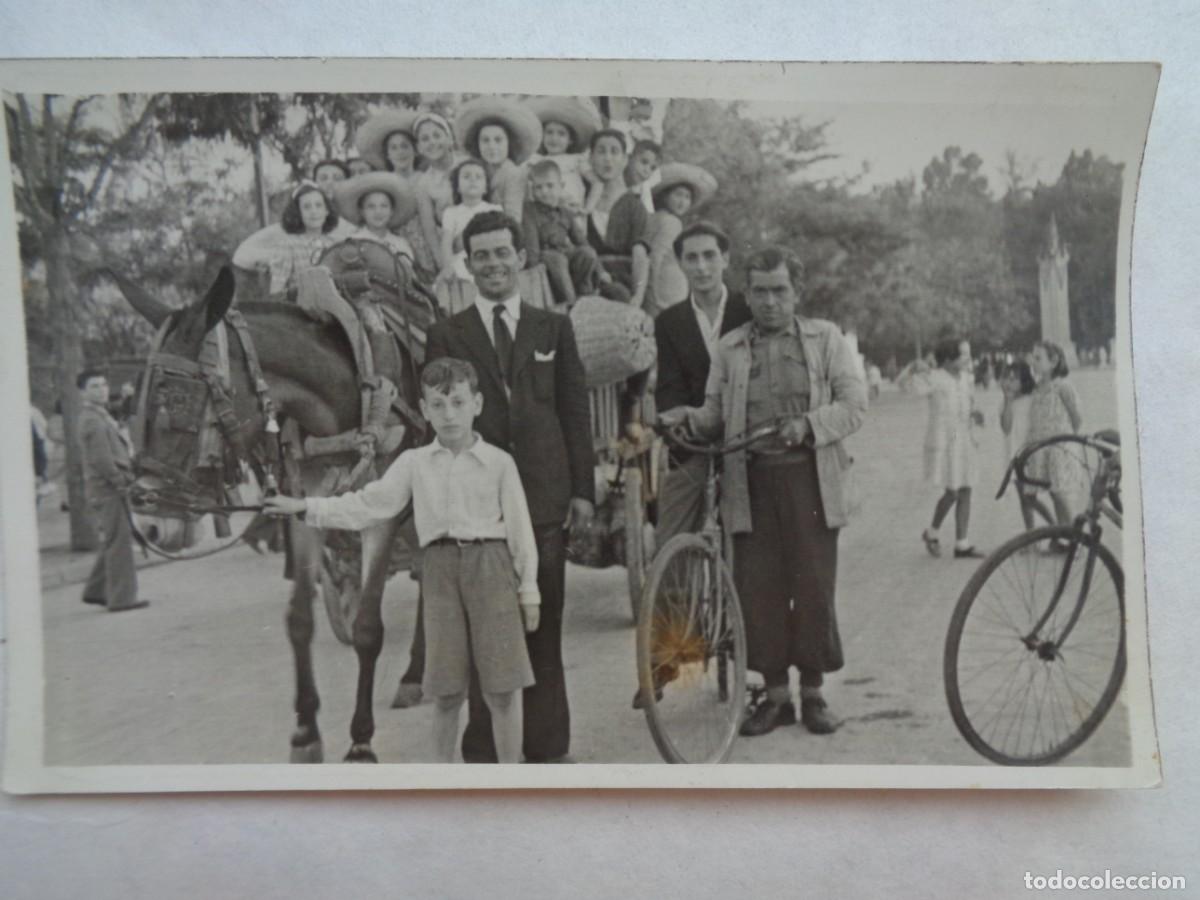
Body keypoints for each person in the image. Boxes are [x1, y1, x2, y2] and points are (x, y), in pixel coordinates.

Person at [265, 358, 539, 763]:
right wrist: (303, 506)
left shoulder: (499, 463)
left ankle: (511, 784)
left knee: (502, 690)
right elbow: (367, 506)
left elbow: (520, 531)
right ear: (424, 411)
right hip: (439, 573)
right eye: (439, 406)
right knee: (445, 693)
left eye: (458, 403)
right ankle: (440, 786)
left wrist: (529, 590)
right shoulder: (414, 464)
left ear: (477, 404)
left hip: (491, 567)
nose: (449, 415)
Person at [659, 246, 866, 737]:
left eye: (780, 291)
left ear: (797, 293)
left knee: (813, 587)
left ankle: (812, 694)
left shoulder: (826, 339)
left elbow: (855, 404)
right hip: (748, 483)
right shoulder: (730, 348)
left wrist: (809, 424)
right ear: (746, 294)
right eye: (760, 291)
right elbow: (713, 415)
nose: (770, 301)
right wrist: (688, 419)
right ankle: (775, 698)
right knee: (761, 592)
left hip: (810, 481)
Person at [425, 210, 595, 763]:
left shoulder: (553, 327)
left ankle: (547, 750)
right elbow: (440, 423)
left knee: (542, 624)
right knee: (483, 637)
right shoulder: (447, 334)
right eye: (481, 255)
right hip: (478, 508)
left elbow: (575, 412)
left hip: (544, 499)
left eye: (502, 252)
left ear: (520, 257)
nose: (493, 263)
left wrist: (582, 492)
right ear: (467, 265)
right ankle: (484, 756)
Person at [632, 221, 751, 709]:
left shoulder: (749, 310)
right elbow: (671, 393)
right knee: (670, 547)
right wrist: (679, 418)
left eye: (709, 256)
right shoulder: (670, 321)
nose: (701, 267)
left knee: (752, 550)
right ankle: (666, 660)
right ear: (680, 265)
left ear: (725, 258)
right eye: (691, 259)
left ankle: (753, 658)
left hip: (747, 446)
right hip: (692, 446)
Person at [77, 370, 148, 613]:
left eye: (104, 384)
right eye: (94, 386)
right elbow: (101, 459)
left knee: (114, 539)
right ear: (83, 392)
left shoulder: (99, 415)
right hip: (108, 489)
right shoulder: (91, 420)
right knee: (120, 543)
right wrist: (119, 481)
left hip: (108, 488)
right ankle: (122, 599)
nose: (102, 390)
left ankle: (96, 591)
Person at [916, 338, 985, 559]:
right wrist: (919, 366)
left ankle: (962, 543)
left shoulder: (967, 378)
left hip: (964, 438)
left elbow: (968, 404)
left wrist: (976, 414)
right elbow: (909, 384)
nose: (968, 359)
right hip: (945, 440)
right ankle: (932, 532)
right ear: (947, 359)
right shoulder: (935, 378)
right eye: (962, 355)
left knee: (966, 488)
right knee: (952, 491)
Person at [522, 159, 622, 305]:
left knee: (586, 253)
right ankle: (571, 302)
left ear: (561, 186)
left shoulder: (565, 213)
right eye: (538, 187)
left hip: (564, 259)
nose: (544, 192)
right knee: (556, 258)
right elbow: (532, 245)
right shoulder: (530, 211)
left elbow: (582, 241)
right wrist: (533, 267)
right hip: (544, 262)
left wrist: (601, 271)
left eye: (549, 186)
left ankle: (585, 294)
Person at [356, 110, 441, 279]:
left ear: (415, 150)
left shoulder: (425, 180)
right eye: (393, 148)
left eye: (404, 146)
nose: (400, 152)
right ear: (387, 154)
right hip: (393, 246)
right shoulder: (383, 183)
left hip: (425, 244)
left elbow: (433, 221)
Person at [231, 181, 346, 298]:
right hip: (302, 308)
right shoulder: (289, 245)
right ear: (298, 213)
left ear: (327, 211)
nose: (314, 211)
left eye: (318, 205)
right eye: (307, 207)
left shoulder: (334, 244)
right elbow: (277, 291)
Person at [1024, 340, 1087, 536]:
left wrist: (1066, 439)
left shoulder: (1063, 386)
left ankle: (1076, 538)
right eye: (1032, 357)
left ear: (1053, 362)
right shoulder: (1037, 388)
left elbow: (1077, 417)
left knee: (1062, 494)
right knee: (1053, 493)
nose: (1033, 362)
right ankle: (1064, 536)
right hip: (1042, 448)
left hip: (1061, 448)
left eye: (1038, 358)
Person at [583, 129, 652, 306]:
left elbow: (640, 255)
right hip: (587, 284)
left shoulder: (633, 205)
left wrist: (637, 298)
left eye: (614, 151)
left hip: (623, 286)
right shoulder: (584, 201)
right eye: (601, 151)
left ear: (624, 160)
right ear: (591, 158)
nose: (607, 158)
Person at [642, 162, 718, 316]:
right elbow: (654, 258)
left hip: (667, 294)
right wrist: (653, 295)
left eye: (687, 197)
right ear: (665, 196)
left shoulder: (656, 218)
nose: (682, 201)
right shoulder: (672, 222)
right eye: (677, 194)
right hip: (665, 295)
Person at [455, 97, 543, 223]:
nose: (492, 146)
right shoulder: (476, 168)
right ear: (477, 143)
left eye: (498, 140)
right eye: (485, 140)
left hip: (506, 229)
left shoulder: (513, 173)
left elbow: (513, 217)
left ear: (509, 143)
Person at [523, 96, 602, 211]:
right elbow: (525, 187)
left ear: (570, 140)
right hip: (544, 214)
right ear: (542, 136)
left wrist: (588, 208)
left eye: (561, 134)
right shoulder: (536, 161)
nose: (554, 138)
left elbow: (597, 183)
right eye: (549, 132)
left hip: (573, 211)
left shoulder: (575, 160)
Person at [438, 158, 503, 285]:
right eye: (466, 176)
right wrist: (447, 266)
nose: (473, 180)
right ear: (457, 187)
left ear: (485, 188)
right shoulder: (451, 213)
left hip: (490, 255)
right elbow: (446, 243)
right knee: (458, 275)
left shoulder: (494, 209)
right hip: (464, 257)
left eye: (478, 177)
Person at [625, 139, 662, 213]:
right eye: (644, 162)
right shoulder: (616, 177)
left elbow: (648, 213)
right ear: (629, 158)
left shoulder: (643, 187)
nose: (647, 170)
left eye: (652, 168)